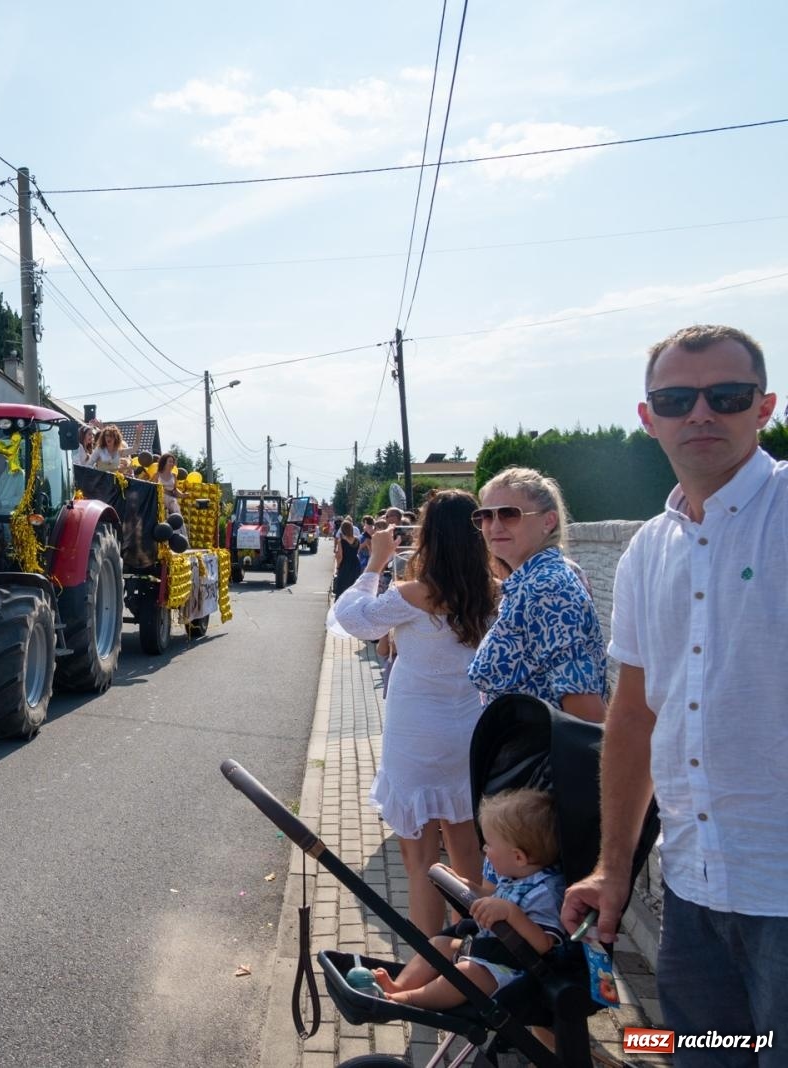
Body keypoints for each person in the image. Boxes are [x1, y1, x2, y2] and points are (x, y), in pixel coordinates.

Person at [562, 324, 787, 1057]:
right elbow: (632, 717)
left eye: (726, 396)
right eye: (676, 398)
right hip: (692, 889)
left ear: (764, 408)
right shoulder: (645, 553)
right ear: (647, 415)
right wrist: (612, 867)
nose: (701, 414)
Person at [329, 490, 497, 934]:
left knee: (421, 859)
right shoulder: (492, 592)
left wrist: (374, 564)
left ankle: (432, 954)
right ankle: (473, 946)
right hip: (467, 732)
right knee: (464, 846)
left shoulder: (414, 594)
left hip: (416, 737)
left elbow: (351, 620)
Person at [373, 788, 566, 1008]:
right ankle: (400, 986)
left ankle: (410, 999)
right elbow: (492, 898)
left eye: (489, 845)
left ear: (518, 857)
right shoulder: (516, 875)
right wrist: (467, 886)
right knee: (439, 943)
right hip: (486, 948)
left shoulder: (546, 892)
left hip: (512, 968)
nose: (484, 849)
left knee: (467, 973)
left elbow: (543, 944)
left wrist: (512, 913)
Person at [467, 467, 608, 722]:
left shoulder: (546, 588)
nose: (495, 525)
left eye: (510, 514)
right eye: (485, 516)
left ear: (548, 521)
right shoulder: (529, 582)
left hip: (545, 757)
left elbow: (587, 713)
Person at [331, 519, 363, 599]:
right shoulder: (357, 540)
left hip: (345, 564)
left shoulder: (341, 541)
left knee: (342, 586)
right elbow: (357, 552)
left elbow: (340, 556)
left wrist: (338, 566)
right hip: (356, 564)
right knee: (353, 585)